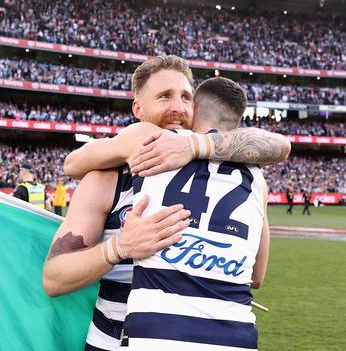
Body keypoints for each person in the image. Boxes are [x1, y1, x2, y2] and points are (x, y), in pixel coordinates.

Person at [43, 55, 290, 351]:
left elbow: (279, 146)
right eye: (164, 97)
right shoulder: (108, 178)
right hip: (112, 341)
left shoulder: (233, 172)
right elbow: (54, 278)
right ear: (138, 108)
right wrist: (118, 248)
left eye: (186, 97)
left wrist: (194, 145)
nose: (178, 107)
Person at [118, 77, 271, 350]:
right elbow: (257, 277)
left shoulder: (154, 140)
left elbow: (76, 161)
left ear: (194, 107)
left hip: (155, 332)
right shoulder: (258, 179)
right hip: (234, 334)